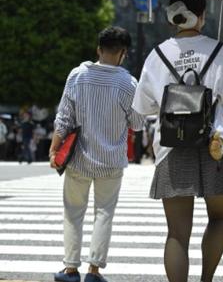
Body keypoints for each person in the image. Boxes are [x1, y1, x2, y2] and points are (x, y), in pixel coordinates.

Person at [131, 0, 223, 282]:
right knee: (219, 218)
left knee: (177, 234)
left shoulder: (157, 54)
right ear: (202, 15)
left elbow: (143, 107)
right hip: (213, 144)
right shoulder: (218, 50)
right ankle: (206, 280)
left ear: (172, 17)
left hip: (172, 146)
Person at [49, 26, 144, 282]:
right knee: (104, 214)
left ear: (98, 49)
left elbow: (64, 117)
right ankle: (94, 271)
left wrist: (55, 147)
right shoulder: (128, 83)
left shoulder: (78, 75)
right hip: (111, 162)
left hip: (78, 159)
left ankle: (70, 269)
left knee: (73, 212)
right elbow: (137, 123)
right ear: (123, 53)